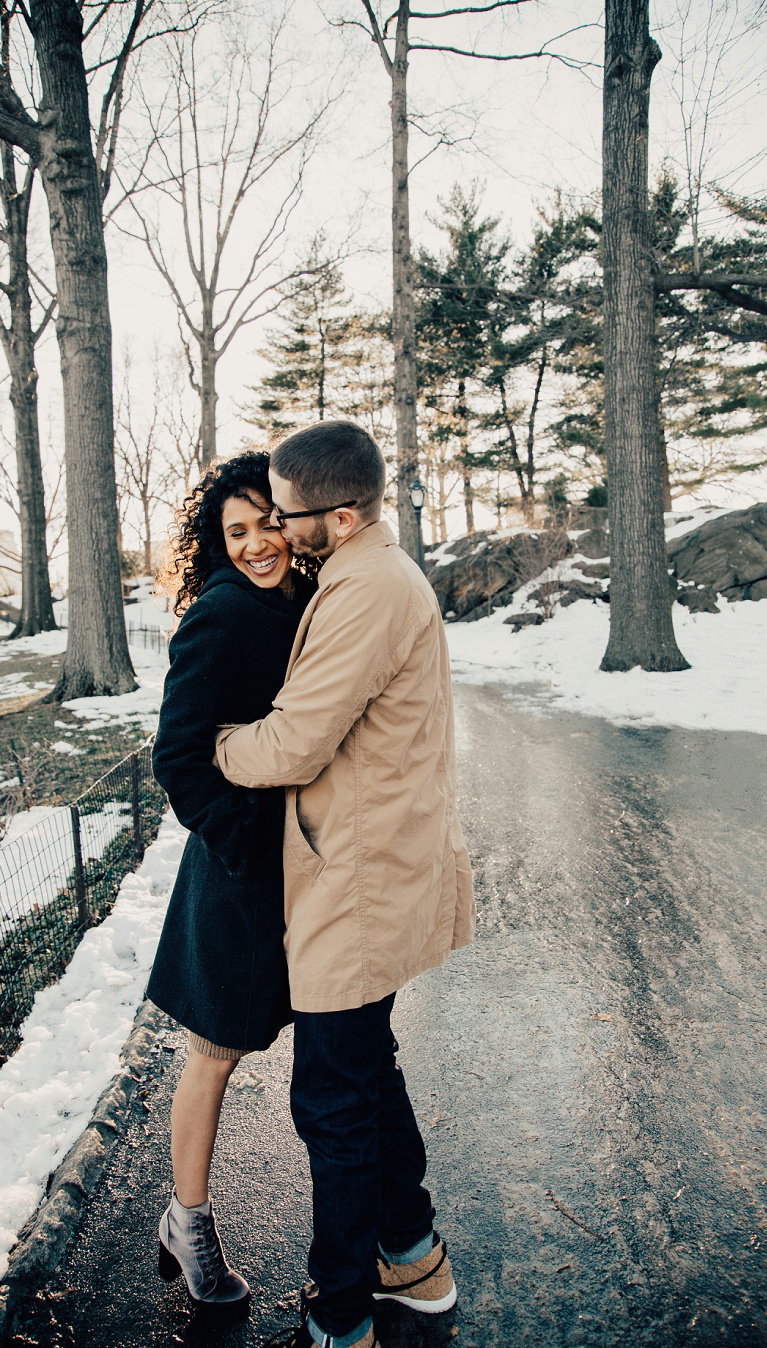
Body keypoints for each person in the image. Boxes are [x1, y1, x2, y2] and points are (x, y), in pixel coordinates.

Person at [214, 421, 475, 1348]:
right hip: (371, 866)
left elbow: (291, 742)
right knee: (366, 1073)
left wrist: (212, 745)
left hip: (359, 883)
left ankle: (339, 1315)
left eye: (290, 515)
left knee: (329, 1098)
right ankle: (412, 1258)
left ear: (345, 511)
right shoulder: (370, 574)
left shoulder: (364, 590)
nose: (279, 533)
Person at [147, 451, 316, 1316]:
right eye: (235, 532)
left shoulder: (307, 598)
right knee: (215, 1054)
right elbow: (176, 756)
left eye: (266, 522)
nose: (256, 544)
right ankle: (190, 1221)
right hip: (238, 871)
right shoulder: (220, 615)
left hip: (302, 864)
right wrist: (246, 843)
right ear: (217, 546)